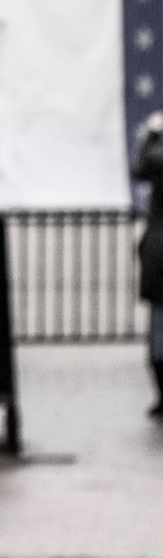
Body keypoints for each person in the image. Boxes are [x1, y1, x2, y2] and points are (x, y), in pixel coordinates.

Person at [133, 112, 163, 417]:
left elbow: (141, 167)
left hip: (159, 255)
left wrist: (153, 133)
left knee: (159, 335)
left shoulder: (157, 156)